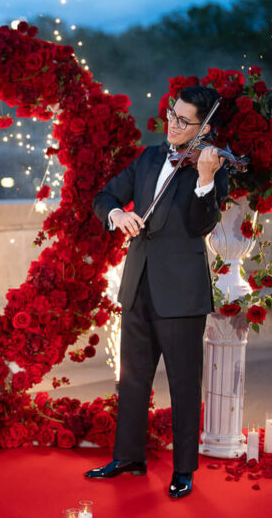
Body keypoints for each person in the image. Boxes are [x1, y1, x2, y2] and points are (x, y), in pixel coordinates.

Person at [85, 85, 229, 499]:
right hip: (138, 286)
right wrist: (116, 213)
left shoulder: (212, 166)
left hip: (182, 294)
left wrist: (205, 179)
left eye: (184, 120)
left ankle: (184, 469)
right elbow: (105, 195)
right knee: (131, 380)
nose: (173, 123)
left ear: (203, 126)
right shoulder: (149, 157)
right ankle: (128, 456)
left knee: (184, 384)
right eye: (171, 113)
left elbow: (203, 224)